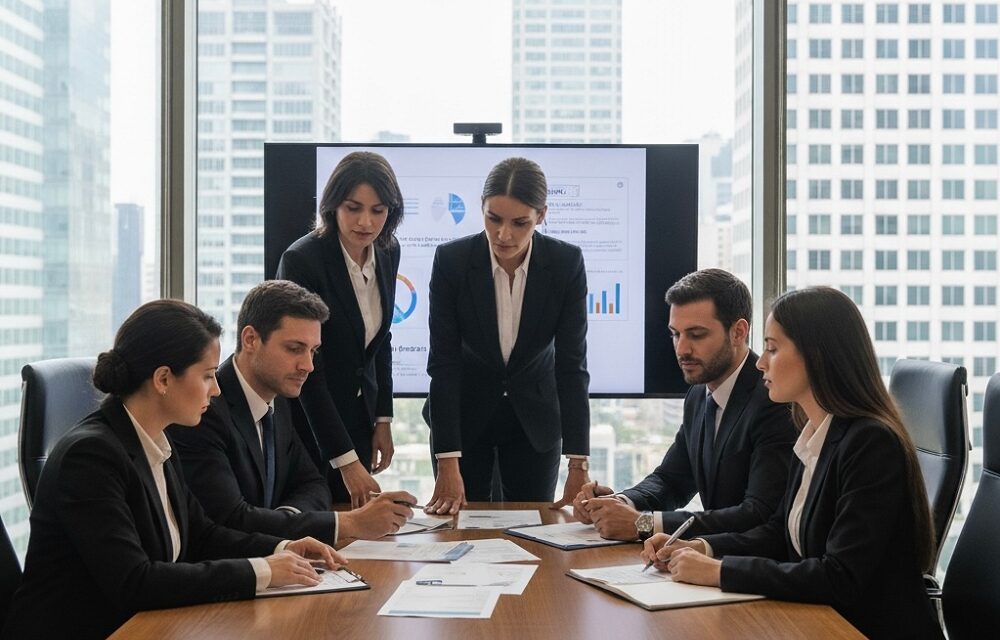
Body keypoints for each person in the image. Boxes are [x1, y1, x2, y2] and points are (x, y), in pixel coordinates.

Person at [2, 300, 344, 640]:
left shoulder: (155, 440)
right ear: (163, 379)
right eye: (208, 376)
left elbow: (202, 534)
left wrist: (282, 548)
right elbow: (136, 582)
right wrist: (262, 570)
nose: (217, 389)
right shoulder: (91, 456)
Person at [641, 287, 942, 640]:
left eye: (772, 348)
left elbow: (839, 576)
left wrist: (719, 572)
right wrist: (703, 548)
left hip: (864, 629)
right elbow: (777, 533)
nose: (760, 363)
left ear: (816, 356)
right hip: (822, 622)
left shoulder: (870, 443)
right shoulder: (814, 431)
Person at [169, 280, 416, 545]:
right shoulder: (203, 410)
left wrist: (285, 520)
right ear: (250, 339)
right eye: (295, 349)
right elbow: (230, 520)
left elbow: (313, 483)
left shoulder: (280, 400)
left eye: (313, 351)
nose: (308, 366)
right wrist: (351, 522)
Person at [572, 269, 796, 541]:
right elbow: (671, 479)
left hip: (748, 566)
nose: (681, 349)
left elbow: (758, 513)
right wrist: (619, 503)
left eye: (696, 335)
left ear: (738, 332)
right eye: (676, 334)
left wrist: (643, 524)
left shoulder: (774, 399)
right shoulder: (698, 394)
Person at [423, 156, 591, 514]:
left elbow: (572, 367)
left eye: (520, 223)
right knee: (460, 529)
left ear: (541, 215)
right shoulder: (451, 261)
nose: (504, 235)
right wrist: (447, 461)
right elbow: (444, 364)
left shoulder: (565, 263)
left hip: (536, 421)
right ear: (481, 208)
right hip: (464, 418)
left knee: (535, 532)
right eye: (493, 218)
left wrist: (578, 465)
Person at [276, 151, 404, 508]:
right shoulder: (303, 260)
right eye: (353, 208)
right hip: (310, 426)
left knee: (358, 528)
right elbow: (304, 368)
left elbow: (381, 342)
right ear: (333, 206)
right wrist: (344, 459)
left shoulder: (388, 251)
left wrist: (383, 418)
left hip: (359, 419)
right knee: (318, 526)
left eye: (378, 210)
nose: (366, 222)